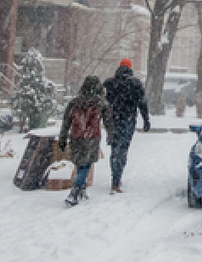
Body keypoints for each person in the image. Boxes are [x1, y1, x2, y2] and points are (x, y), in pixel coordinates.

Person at [58, 76, 113, 207]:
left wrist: (63, 137)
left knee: (80, 163)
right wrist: (111, 135)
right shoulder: (101, 103)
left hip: (76, 136)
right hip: (92, 137)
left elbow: (66, 122)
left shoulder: (74, 103)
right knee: (86, 164)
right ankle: (75, 190)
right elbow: (108, 121)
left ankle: (81, 189)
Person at [103, 58, 150, 194]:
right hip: (128, 120)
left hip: (112, 120)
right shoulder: (135, 84)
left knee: (114, 148)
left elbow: (102, 102)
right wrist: (146, 120)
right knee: (123, 149)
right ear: (130, 68)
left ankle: (114, 177)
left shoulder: (109, 83)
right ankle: (117, 179)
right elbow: (142, 103)